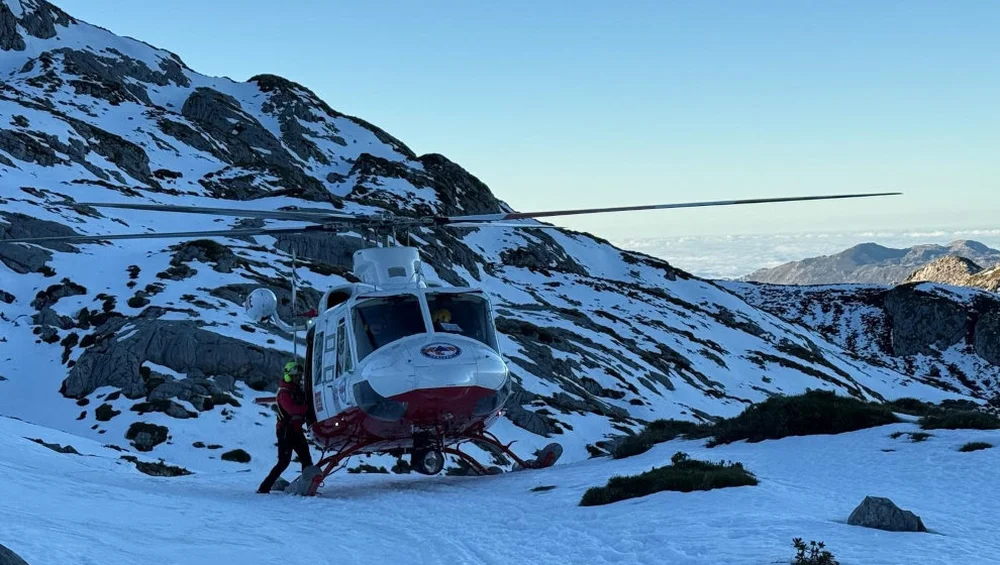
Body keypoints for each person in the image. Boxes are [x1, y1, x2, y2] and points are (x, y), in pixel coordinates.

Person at [257, 361, 314, 494]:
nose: (298, 379)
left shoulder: (295, 391)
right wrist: (307, 408)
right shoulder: (284, 393)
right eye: (296, 376)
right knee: (284, 462)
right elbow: (292, 410)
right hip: (286, 432)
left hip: (296, 430)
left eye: (299, 376)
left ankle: (306, 485)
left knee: (306, 459)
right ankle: (264, 488)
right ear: (290, 376)